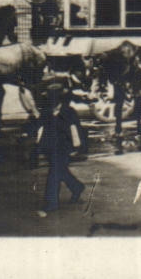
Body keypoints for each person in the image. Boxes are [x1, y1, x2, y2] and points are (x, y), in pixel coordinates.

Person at [32, 81, 87, 217]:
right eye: (50, 97)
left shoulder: (68, 111)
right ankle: (77, 187)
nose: (51, 100)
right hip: (49, 147)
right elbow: (40, 127)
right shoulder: (46, 111)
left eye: (54, 97)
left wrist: (77, 147)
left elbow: (75, 130)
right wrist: (37, 143)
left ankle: (51, 203)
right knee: (60, 170)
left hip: (64, 147)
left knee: (54, 172)